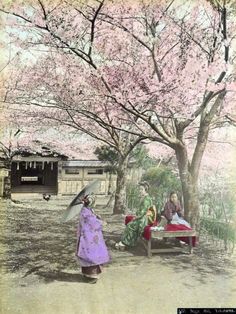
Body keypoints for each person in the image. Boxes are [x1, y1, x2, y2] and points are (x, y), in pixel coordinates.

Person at [76, 194, 110, 284]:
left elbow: (93, 218)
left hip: (90, 235)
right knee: (91, 254)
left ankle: (88, 274)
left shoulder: (88, 210)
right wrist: (102, 222)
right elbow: (93, 223)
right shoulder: (85, 212)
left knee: (92, 253)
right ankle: (91, 276)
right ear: (91, 203)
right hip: (87, 237)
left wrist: (96, 216)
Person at [115, 181, 153, 249]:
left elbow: (143, 212)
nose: (140, 191)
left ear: (145, 190)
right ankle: (126, 242)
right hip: (141, 217)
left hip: (144, 219)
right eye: (139, 189)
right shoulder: (144, 198)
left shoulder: (147, 199)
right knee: (131, 223)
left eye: (141, 189)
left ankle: (126, 243)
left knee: (131, 225)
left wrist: (136, 217)